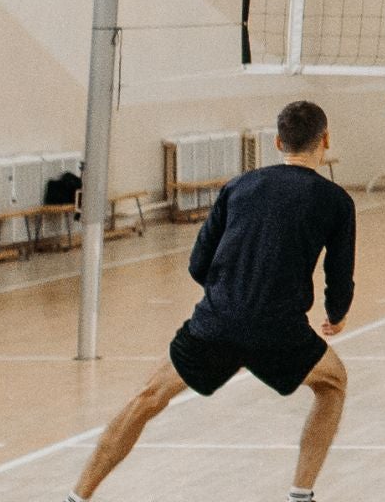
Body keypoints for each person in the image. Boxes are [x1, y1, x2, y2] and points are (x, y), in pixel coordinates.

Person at [63, 102, 354, 502]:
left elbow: (199, 263)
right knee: (333, 383)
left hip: (217, 321)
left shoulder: (239, 186)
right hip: (280, 330)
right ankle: (300, 495)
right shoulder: (336, 200)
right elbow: (339, 274)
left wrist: (225, 299)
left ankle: (77, 497)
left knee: (148, 397)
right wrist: (336, 315)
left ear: (277, 142)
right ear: (325, 139)